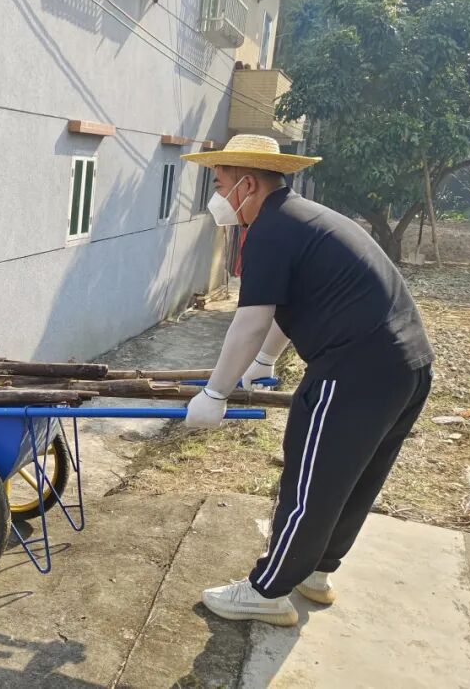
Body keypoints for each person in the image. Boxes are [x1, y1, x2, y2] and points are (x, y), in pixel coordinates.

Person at [181, 135, 434, 626]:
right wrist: (265, 361)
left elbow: (251, 320)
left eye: (219, 184)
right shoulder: (303, 219)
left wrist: (214, 393)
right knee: (352, 477)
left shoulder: (270, 230)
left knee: (310, 480)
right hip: (408, 364)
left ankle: (267, 591)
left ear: (247, 184)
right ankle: (316, 572)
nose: (216, 196)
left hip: (355, 369)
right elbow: (285, 308)